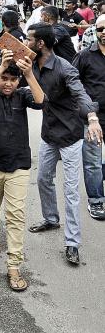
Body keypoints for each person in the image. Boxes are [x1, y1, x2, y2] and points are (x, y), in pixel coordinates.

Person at [25, 23, 102, 265]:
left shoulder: (64, 68)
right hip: (49, 134)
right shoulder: (30, 62)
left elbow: (81, 94)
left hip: (70, 136)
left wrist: (91, 118)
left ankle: (72, 243)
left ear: (40, 44)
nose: (25, 42)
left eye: (29, 39)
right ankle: (51, 218)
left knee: (71, 191)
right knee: (43, 179)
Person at [0, 50, 46, 291]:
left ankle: (14, 265)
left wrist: (28, 74)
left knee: (16, 215)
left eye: (13, 80)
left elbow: (41, 101)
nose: (8, 84)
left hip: (19, 164)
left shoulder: (23, 96)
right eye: (5, 78)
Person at [72, 14, 105, 220]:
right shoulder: (85, 56)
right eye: (101, 29)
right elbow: (73, 83)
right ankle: (96, 200)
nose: (104, 33)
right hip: (92, 118)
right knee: (92, 161)